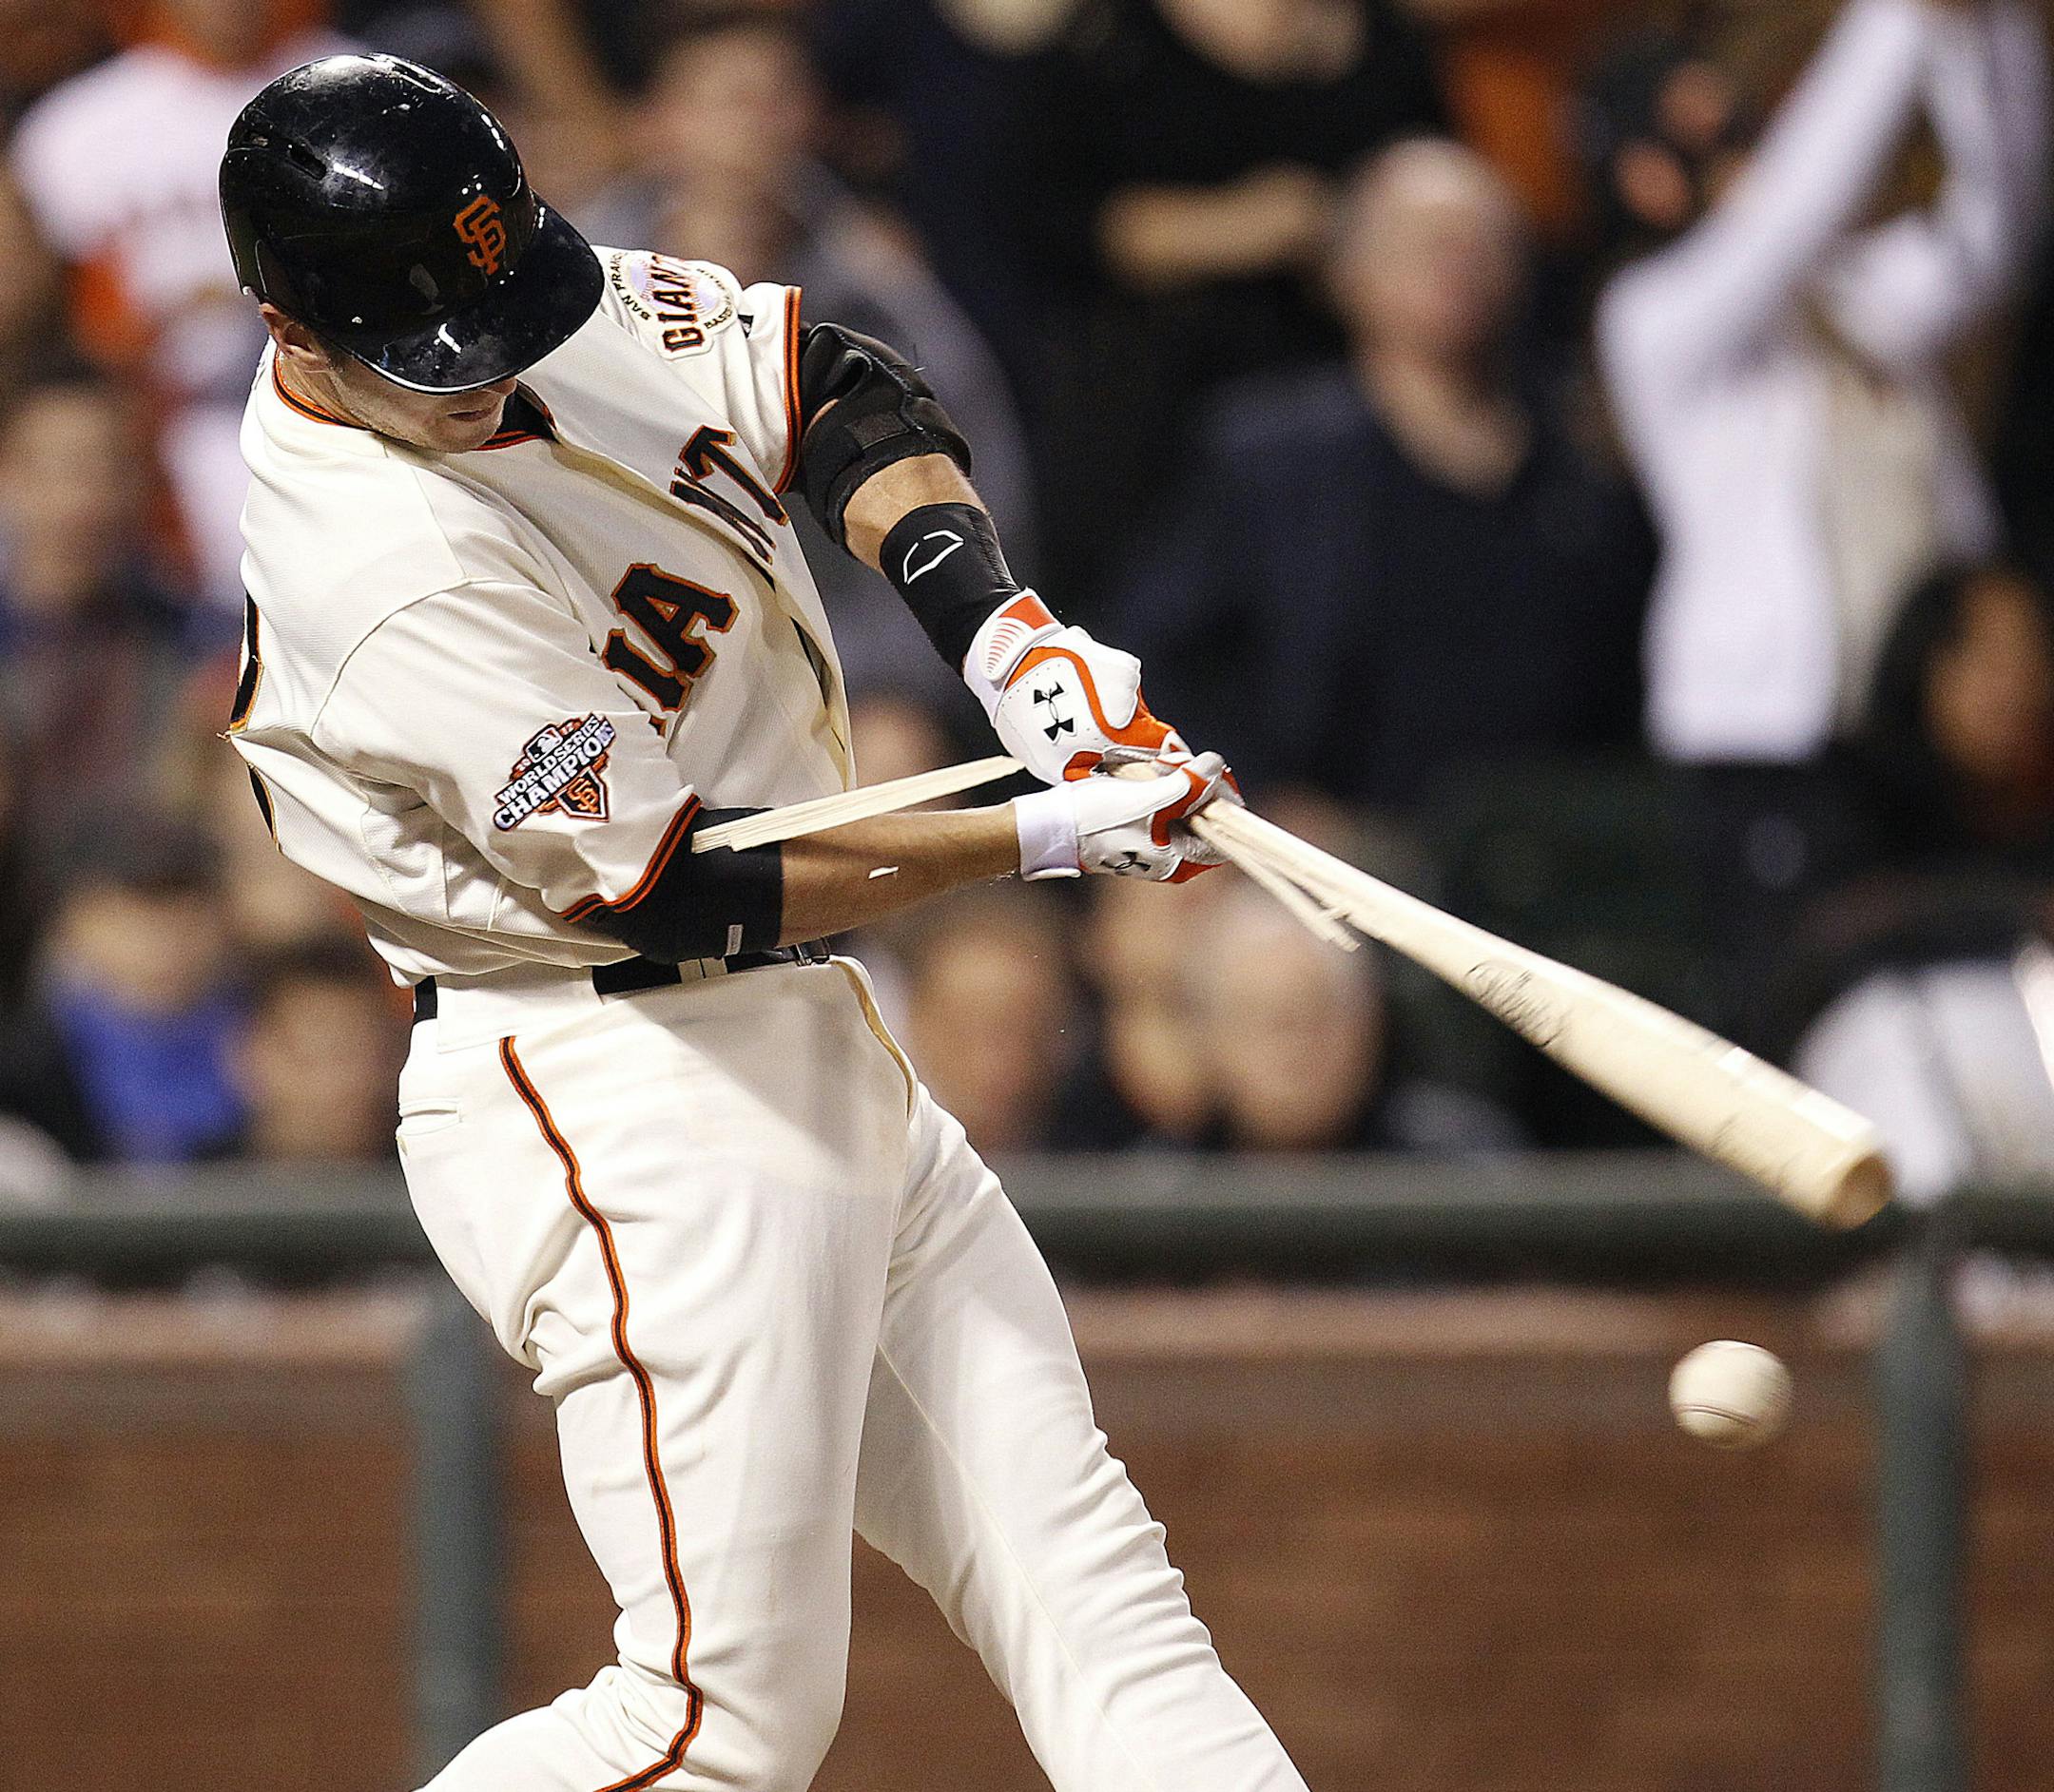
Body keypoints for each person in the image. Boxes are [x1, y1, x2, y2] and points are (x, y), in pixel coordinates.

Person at [218, 54, 1295, 1792]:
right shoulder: (383, 573)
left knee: (1094, 1599)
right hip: (624, 1074)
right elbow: (679, 884)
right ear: (293, 331)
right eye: (443, 361)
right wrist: (1035, 826)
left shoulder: (508, 282)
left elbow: (827, 383)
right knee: (716, 1728)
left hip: (802, 1045)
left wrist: (1002, 636)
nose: (495, 376)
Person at [1588, 0, 2048, 1018]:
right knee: (1811, 1016)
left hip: (1915, 731)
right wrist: (1900, 22)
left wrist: (1986, 33)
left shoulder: (1852, 305)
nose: (1753, 155)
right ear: (1644, 178)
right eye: (1717, 141)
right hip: (1769, 750)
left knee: (1967, 998)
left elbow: (1995, 225)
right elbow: (1797, 211)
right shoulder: (1656, 318)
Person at [1114, 139, 1652, 809]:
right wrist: (1257, 796)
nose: (1455, 263)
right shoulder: (1272, 459)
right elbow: (1156, 659)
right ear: (1347, 271)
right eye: (1421, 240)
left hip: (1556, 845)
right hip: (1331, 845)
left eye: (1482, 239)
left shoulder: (1589, 462)